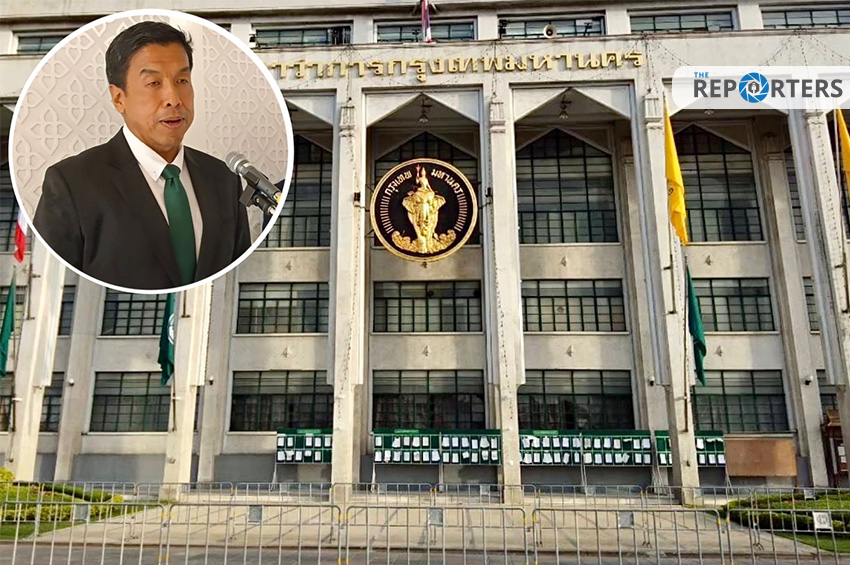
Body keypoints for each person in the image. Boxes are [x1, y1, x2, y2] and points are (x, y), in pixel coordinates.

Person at [33, 21, 251, 290]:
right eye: (154, 83)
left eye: (182, 81)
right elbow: (49, 282)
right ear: (119, 98)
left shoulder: (223, 180)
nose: (173, 98)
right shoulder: (72, 183)